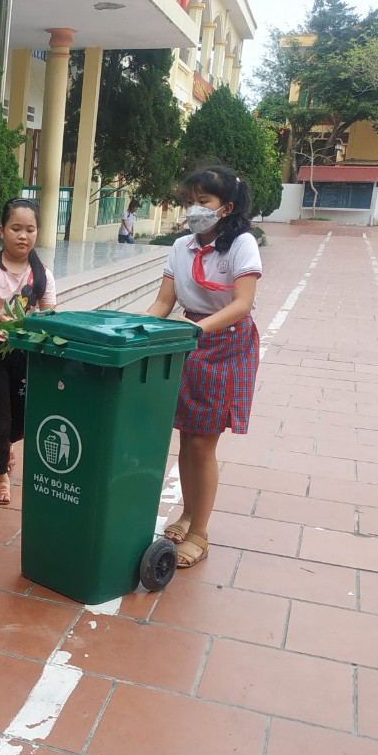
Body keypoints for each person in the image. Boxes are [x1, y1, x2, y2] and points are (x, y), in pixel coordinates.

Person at [143, 164, 262, 569]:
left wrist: (199, 329)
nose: (194, 208)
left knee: (202, 443)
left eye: (203, 201)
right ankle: (187, 514)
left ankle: (200, 532)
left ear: (226, 207)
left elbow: (242, 304)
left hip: (227, 343)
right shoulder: (181, 246)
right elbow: (163, 302)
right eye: (191, 200)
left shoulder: (242, 244)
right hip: (189, 342)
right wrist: (135, 329)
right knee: (186, 436)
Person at [0, 197, 57, 508]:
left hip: (25, 351)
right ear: (2, 230)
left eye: (30, 229)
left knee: (26, 416)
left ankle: (6, 444)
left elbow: (51, 313)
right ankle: (1, 476)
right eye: (16, 228)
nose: (23, 235)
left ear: (38, 232)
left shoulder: (42, 275)